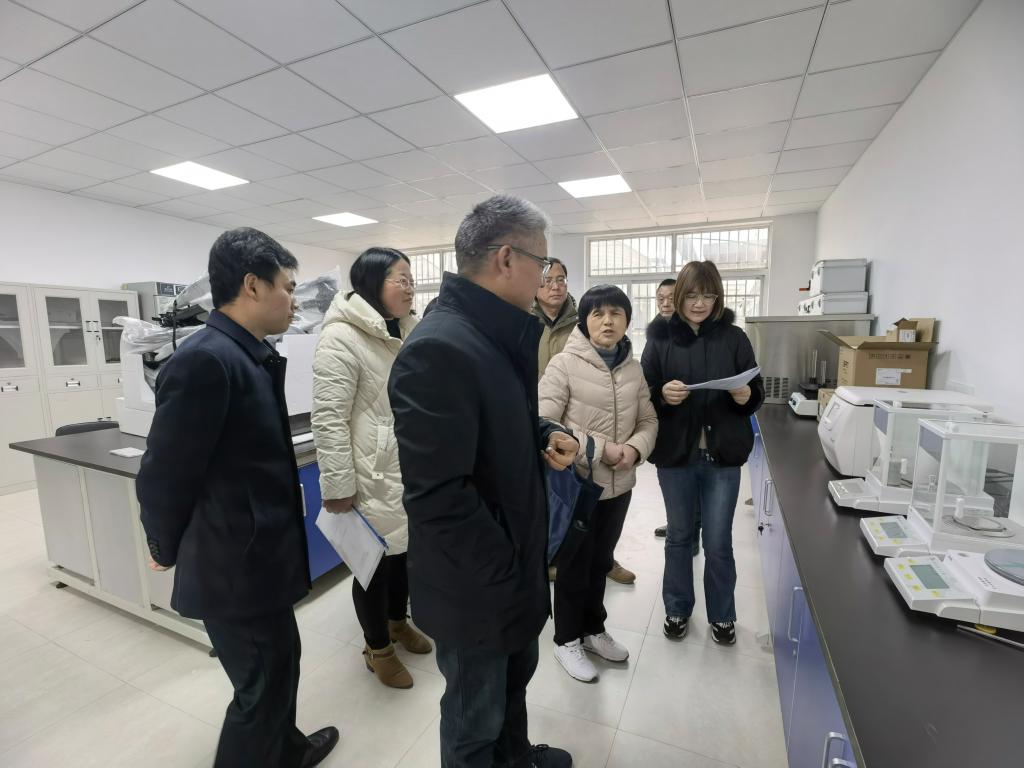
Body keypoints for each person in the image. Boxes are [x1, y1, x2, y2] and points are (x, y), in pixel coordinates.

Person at [136, 228, 339, 768]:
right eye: (288, 287)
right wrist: (162, 543)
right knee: (259, 687)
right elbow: (164, 473)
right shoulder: (205, 361)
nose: (294, 301)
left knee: (281, 663)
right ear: (252, 285)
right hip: (232, 562)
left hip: (257, 555)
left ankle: (288, 750)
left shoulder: (248, 355)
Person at [388, 195, 576, 768]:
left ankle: (515, 758)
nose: (546, 279)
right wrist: (507, 565)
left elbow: (494, 423)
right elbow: (438, 495)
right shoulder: (439, 348)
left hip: (510, 567)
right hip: (477, 584)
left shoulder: (492, 334)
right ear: (506, 258)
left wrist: (543, 432)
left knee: (512, 688)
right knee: (475, 717)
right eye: (541, 263)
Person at [311, 247, 431, 690]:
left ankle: (398, 623)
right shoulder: (341, 337)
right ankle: (377, 648)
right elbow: (329, 418)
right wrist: (338, 485)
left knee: (404, 559)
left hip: (407, 467)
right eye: (400, 279)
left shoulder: (408, 329)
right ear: (372, 283)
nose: (409, 287)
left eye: (411, 279)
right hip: (369, 473)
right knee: (373, 567)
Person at [641, 261, 764, 647]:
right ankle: (677, 608)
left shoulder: (734, 338)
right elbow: (643, 394)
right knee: (679, 537)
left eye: (708, 295)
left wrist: (746, 395)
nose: (699, 303)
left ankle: (723, 615)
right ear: (679, 296)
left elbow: (755, 390)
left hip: (722, 456)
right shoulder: (660, 338)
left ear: (718, 298)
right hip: (676, 456)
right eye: (692, 295)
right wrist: (663, 394)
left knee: (718, 541)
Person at [539, 285, 658, 683]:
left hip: (620, 485)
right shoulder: (563, 364)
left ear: (627, 321)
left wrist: (635, 450)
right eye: (598, 314)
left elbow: (649, 420)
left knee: (600, 562)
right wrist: (601, 449)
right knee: (574, 567)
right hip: (579, 486)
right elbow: (544, 421)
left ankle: (593, 629)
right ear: (584, 320)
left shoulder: (633, 368)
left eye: (616, 314)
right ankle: (565, 640)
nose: (608, 321)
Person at [651, 277, 699, 555]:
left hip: (698, 422)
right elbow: (648, 380)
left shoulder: (695, 332)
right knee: (676, 486)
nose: (666, 303)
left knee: (696, 483)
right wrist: (661, 392)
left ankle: (691, 534)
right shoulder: (656, 334)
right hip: (670, 423)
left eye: (671, 297)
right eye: (661, 298)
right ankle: (679, 526)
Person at [533, 258, 577, 378]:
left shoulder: (581, 325)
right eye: (548, 281)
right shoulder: (523, 322)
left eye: (561, 280)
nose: (556, 287)